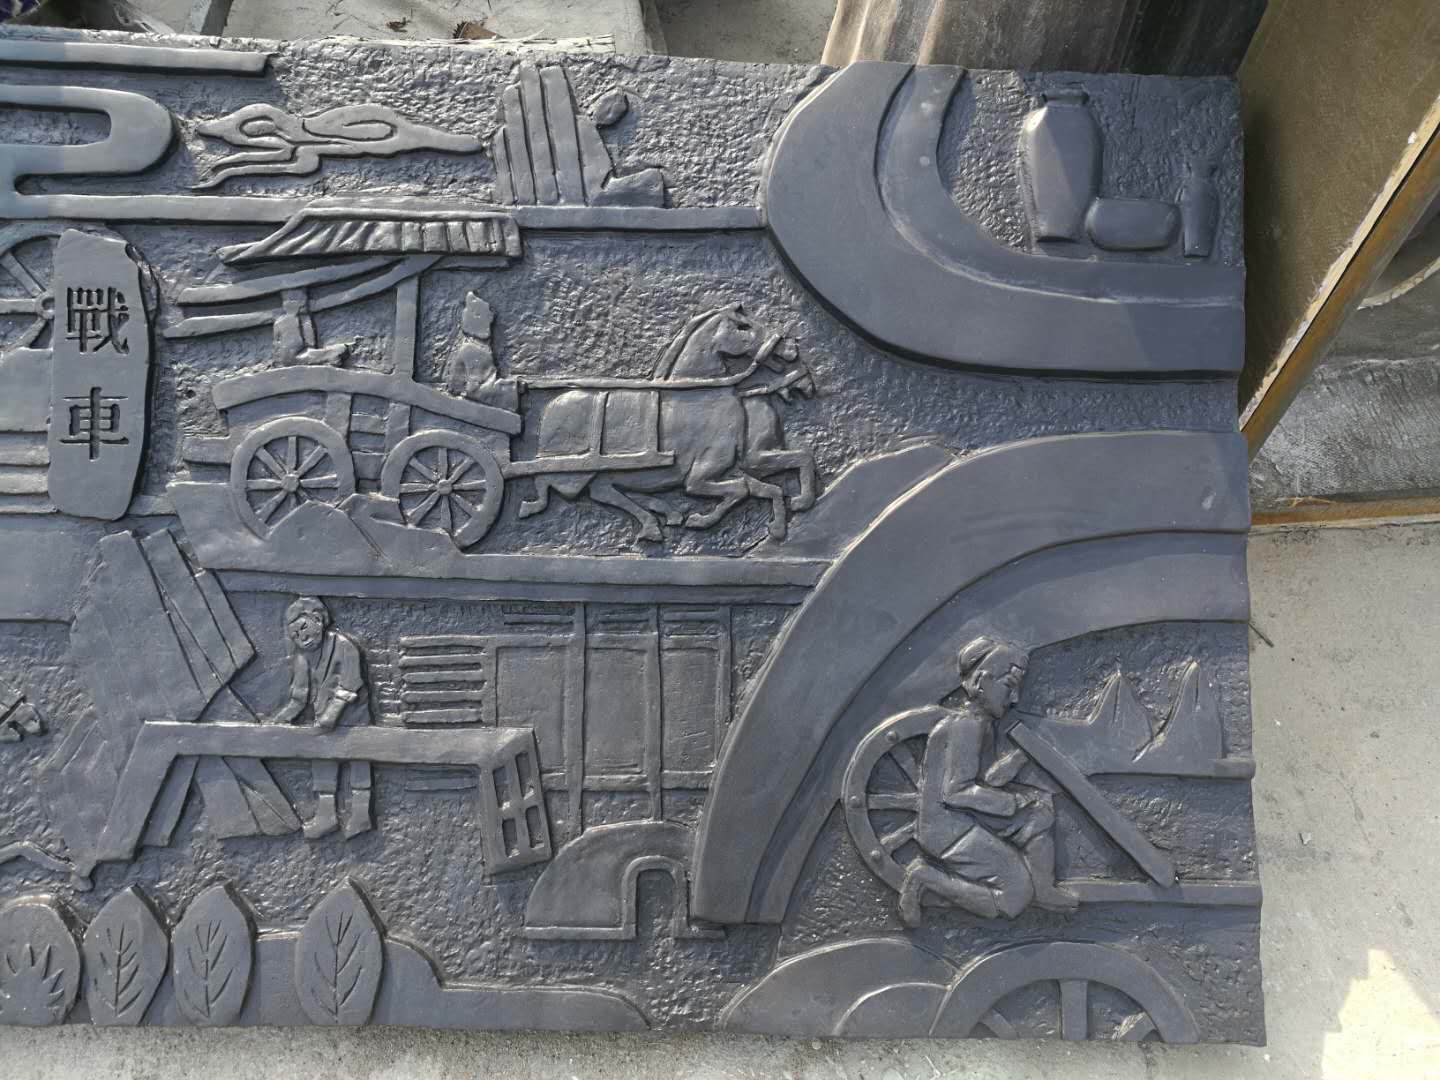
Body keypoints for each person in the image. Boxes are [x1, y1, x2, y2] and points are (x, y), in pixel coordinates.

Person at [897, 635, 1078, 925]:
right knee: (1016, 895)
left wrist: (1016, 761)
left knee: (1039, 810)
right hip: (948, 829)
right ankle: (923, 877)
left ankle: (1044, 888)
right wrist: (1010, 802)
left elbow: (985, 779)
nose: (1014, 698)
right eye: (1009, 687)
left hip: (966, 818)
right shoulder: (966, 726)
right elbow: (956, 792)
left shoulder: (981, 724)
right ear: (982, 681)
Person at [266, 596, 372, 840]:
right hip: (323, 720)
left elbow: (350, 685)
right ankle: (327, 816)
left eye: (303, 627)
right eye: (295, 635)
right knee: (322, 760)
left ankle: (361, 815)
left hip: (353, 719)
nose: (301, 636)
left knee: (359, 760)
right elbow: (299, 698)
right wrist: (281, 721)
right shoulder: (302, 658)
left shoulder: (345, 646)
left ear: (318, 619)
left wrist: (331, 714)